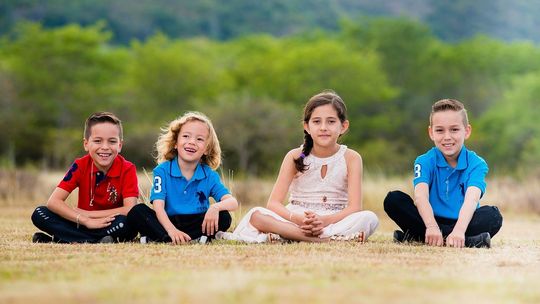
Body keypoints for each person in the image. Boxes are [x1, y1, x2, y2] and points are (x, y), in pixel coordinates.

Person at [218, 90, 379, 243]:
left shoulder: (351, 158)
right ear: (307, 126)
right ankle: (325, 240)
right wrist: (299, 219)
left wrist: (322, 221)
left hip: (334, 220)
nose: (323, 127)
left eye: (331, 121)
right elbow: (273, 203)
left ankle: (289, 236)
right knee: (257, 215)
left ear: (343, 126)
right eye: (316, 121)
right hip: (296, 218)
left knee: (369, 218)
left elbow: (354, 207)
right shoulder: (295, 156)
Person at [384, 99, 503, 248]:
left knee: (493, 216)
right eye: (440, 130)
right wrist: (432, 227)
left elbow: (471, 200)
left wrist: (459, 230)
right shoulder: (424, 161)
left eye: (454, 129)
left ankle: (419, 237)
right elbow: (420, 197)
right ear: (431, 132)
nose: (447, 137)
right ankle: (468, 241)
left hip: (463, 222)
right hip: (428, 220)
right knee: (393, 200)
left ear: (466, 131)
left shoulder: (477, 163)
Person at [127, 112, 238, 244]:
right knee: (137, 212)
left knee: (224, 217)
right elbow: (158, 206)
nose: (192, 142)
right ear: (175, 142)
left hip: (196, 222)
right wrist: (172, 230)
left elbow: (233, 202)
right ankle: (171, 238)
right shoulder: (162, 171)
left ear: (207, 149)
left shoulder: (209, 175)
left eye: (199, 139)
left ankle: (164, 238)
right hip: (167, 221)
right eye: (186, 136)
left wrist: (215, 208)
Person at [31, 112, 139, 243]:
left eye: (112, 141)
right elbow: (53, 202)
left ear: (119, 145)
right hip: (81, 224)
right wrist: (85, 220)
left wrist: (90, 215)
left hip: (110, 224)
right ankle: (93, 240)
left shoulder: (128, 168)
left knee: (126, 224)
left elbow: (129, 209)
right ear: (86, 144)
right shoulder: (80, 165)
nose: (105, 147)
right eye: (98, 141)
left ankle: (63, 238)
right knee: (40, 213)